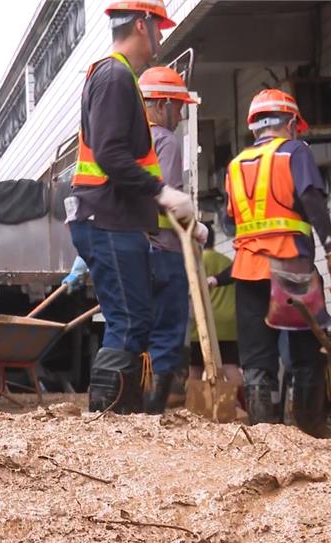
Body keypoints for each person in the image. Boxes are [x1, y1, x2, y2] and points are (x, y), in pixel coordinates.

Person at [67, 1, 204, 414]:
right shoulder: (114, 76)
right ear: (143, 25)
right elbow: (110, 154)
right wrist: (161, 192)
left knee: (134, 319)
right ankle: (107, 420)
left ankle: (116, 419)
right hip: (107, 218)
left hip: (112, 218)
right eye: (159, 28)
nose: (162, 37)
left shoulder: (117, 76)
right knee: (129, 320)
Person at [225, 88, 331, 438]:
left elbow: (231, 217)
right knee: (305, 350)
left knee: (257, 357)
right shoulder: (295, 151)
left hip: (247, 271)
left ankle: (264, 435)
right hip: (291, 265)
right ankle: (310, 427)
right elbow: (312, 200)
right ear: (291, 123)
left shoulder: (234, 166)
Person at [138, 65, 195, 413]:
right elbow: (168, 197)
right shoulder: (165, 141)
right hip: (165, 249)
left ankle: (130, 409)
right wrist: (193, 225)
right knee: (168, 330)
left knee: (135, 329)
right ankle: (154, 410)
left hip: (134, 249)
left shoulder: (129, 140)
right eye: (177, 107)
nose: (179, 115)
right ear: (160, 105)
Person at [188, 223, 242, 402]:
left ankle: (193, 405)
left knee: (195, 368)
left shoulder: (194, 263)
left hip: (200, 324)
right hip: (228, 323)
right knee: (230, 366)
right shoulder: (228, 263)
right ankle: (239, 404)